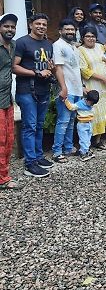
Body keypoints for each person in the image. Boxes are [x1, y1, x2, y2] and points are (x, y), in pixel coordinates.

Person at [13, 13, 55, 178]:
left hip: (43, 90)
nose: (41, 27)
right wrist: (36, 72)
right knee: (29, 126)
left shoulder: (47, 43)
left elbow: (48, 66)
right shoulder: (22, 42)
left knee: (38, 125)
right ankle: (29, 164)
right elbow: (14, 67)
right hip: (26, 90)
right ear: (31, 25)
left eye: (44, 24)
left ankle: (38, 156)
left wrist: (49, 69)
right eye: (38, 24)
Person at [51, 19, 84, 163]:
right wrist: (63, 88)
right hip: (66, 89)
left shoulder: (73, 47)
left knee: (71, 121)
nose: (70, 32)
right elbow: (57, 68)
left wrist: (82, 87)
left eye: (72, 30)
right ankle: (57, 151)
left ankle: (68, 147)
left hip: (76, 89)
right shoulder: (57, 46)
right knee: (63, 121)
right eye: (67, 29)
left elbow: (75, 69)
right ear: (60, 31)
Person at [78, 26, 106, 150]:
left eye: (93, 36)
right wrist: (103, 78)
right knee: (91, 113)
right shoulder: (80, 50)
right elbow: (84, 70)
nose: (91, 38)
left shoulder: (100, 47)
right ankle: (86, 143)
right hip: (92, 86)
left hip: (105, 87)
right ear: (83, 38)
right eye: (87, 36)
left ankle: (98, 140)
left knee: (103, 111)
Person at [0, 13, 19, 189]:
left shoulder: (13, 45)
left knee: (8, 139)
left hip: (7, 99)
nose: (10, 29)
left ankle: (4, 175)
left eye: (12, 27)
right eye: (6, 26)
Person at [64, 90, 99, 161]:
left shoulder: (91, 103)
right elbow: (71, 107)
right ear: (87, 99)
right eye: (91, 103)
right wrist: (66, 100)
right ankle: (83, 153)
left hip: (89, 123)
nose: (91, 105)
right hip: (82, 124)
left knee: (88, 138)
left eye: (93, 104)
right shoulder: (80, 104)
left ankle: (86, 150)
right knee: (83, 139)